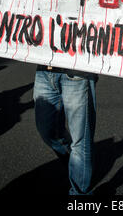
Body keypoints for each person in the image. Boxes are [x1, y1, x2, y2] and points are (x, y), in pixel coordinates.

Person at [33, 66, 98, 195]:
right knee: (47, 131)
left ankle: (80, 194)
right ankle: (79, 165)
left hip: (77, 74)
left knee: (80, 141)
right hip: (44, 70)